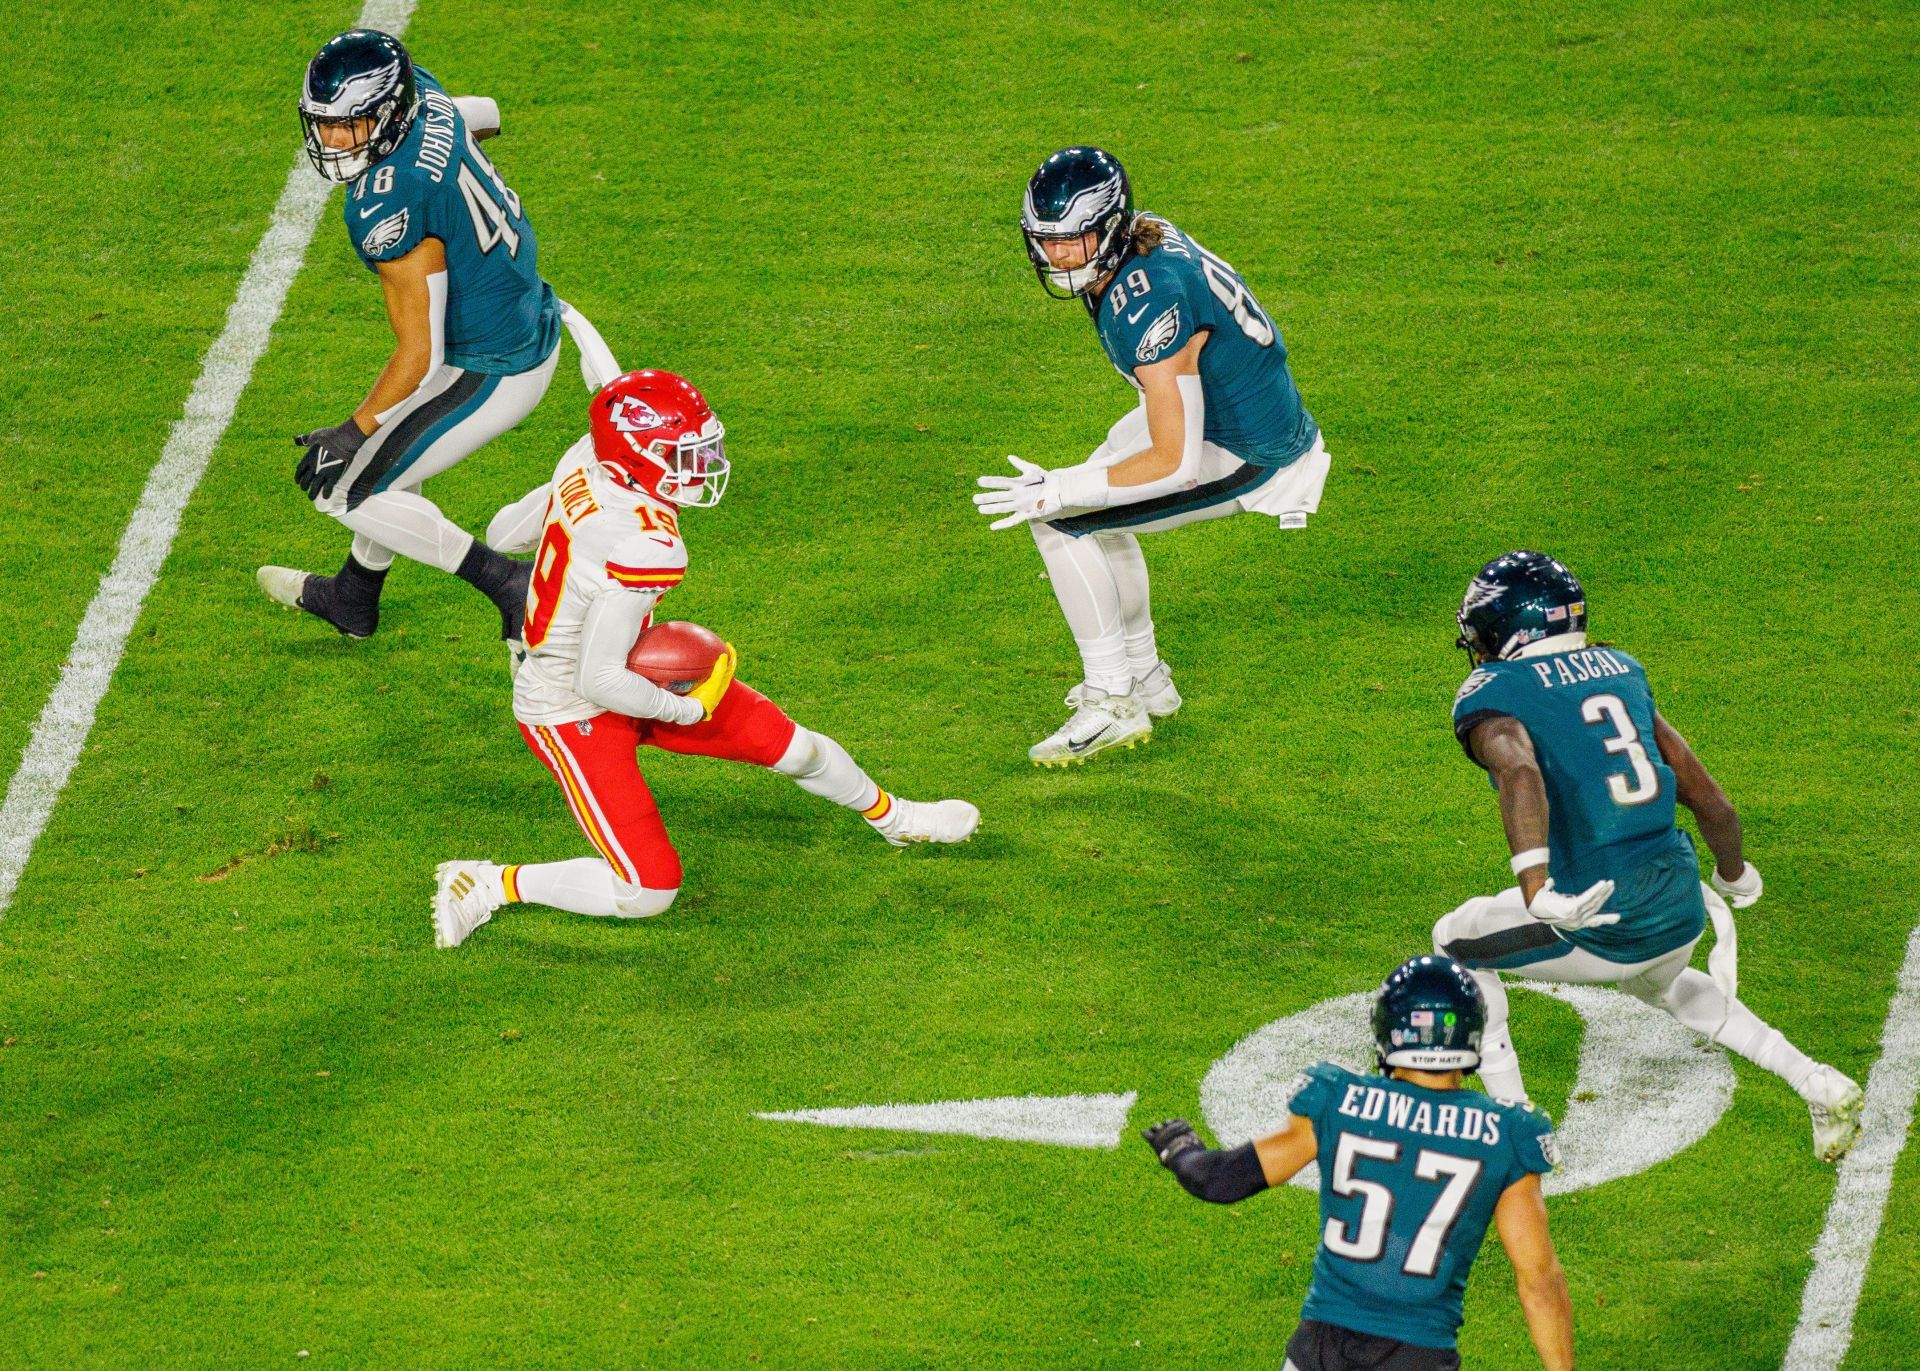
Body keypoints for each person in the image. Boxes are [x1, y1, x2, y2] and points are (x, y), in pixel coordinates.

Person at [431, 369, 979, 948]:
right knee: (649, 890)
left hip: (626, 664)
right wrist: (687, 711)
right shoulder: (649, 544)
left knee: (797, 748)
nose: (698, 467)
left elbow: (503, 530)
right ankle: (488, 883)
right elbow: (598, 679)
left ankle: (895, 819)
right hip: (570, 705)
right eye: (679, 455)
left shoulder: (587, 459)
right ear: (636, 458)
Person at [1438, 549, 1862, 1162]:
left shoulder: (1495, 691)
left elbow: (1520, 772)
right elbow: (1702, 792)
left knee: (1453, 942)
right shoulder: (1621, 668)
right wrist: (1734, 871)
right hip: (1681, 900)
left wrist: (1535, 885)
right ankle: (1817, 1081)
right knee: (1669, 987)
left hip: (1604, 912)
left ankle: (1517, 1124)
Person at [259, 28, 612, 659]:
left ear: (389, 113)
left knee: (342, 486)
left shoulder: (383, 204)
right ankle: (354, 597)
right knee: (391, 462)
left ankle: (507, 582)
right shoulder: (427, 97)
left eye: (352, 125)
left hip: (490, 366)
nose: (334, 140)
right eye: (325, 123)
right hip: (526, 309)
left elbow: (418, 355)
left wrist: (352, 430)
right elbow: (483, 116)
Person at [973, 146, 1331, 764]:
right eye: (1044, 240)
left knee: (1063, 518)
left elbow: (1174, 462)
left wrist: (1059, 491)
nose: (1054, 255)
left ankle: (1114, 698)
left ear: (1109, 228)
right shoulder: (1140, 244)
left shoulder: (1145, 299)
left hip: (1250, 448)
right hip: (1215, 410)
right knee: (1089, 501)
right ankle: (1144, 678)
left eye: (1072, 239)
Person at [1144, 956, 1574, 1371]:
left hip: (1322, 1348)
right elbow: (1538, 1282)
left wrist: (1180, 1148)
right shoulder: (1505, 1132)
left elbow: (1218, 1181)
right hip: (1418, 1355)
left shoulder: (1338, 1099)